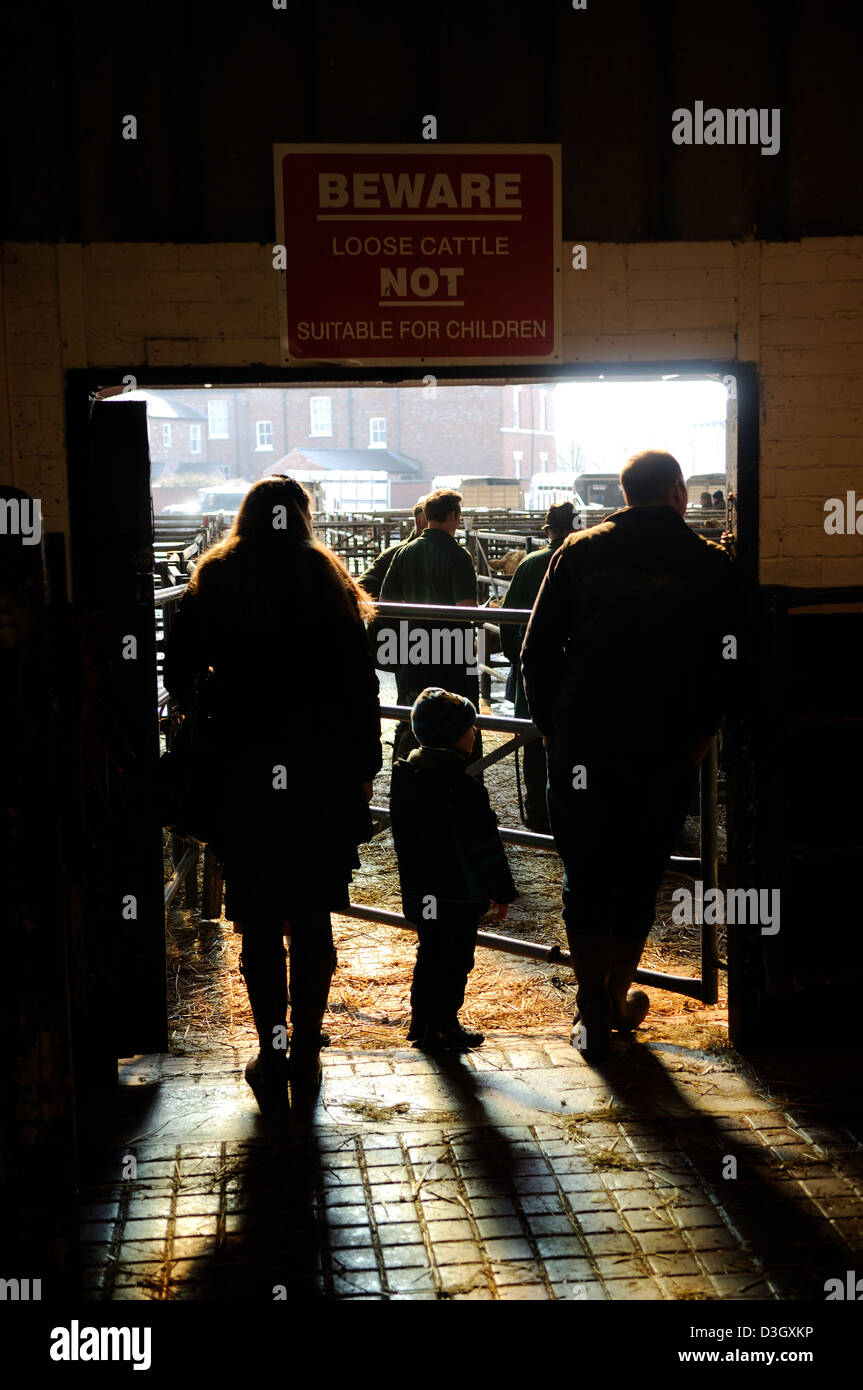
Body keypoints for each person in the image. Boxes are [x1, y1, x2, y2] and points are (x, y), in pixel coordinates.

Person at [164, 476, 382, 1093]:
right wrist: (365, 765)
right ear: (302, 516)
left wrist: (221, 695)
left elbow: (178, 675)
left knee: (259, 921)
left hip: (243, 772)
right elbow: (360, 685)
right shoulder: (328, 581)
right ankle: (309, 1049)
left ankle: (272, 1049)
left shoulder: (217, 576)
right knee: (312, 916)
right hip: (321, 772)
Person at [521, 450, 736, 1061]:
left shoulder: (579, 550)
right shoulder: (708, 562)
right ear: (678, 492)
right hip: (664, 745)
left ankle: (590, 1011)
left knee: (585, 875)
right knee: (641, 874)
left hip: (586, 743)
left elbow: (535, 651)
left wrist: (555, 727)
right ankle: (616, 996)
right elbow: (729, 654)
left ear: (623, 491)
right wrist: (702, 731)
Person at [390, 687, 517, 1051]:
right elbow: (484, 843)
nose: (475, 733)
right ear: (454, 736)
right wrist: (501, 889)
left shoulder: (407, 777)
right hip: (459, 892)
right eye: (470, 727)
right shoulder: (464, 787)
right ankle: (444, 1025)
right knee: (456, 959)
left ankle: (422, 1023)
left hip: (421, 888)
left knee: (429, 954)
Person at [379, 488, 481, 765]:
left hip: (414, 650)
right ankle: (463, 785)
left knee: (415, 716)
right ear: (453, 516)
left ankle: (409, 777)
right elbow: (467, 611)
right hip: (453, 653)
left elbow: (386, 603)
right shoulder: (458, 556)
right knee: (460, 719)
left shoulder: (404, 553)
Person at [500, 501, 577, 833]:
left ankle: (538, 811)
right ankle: (573, 808)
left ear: (548, 531)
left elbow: (506, 619)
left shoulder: (530, 565)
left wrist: (514, 656)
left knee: (534, 733)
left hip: (535, 664)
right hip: (575, 666)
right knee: (574, 736)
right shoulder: (585, 560)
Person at [358, 499, 427, 600]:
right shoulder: (396, 554)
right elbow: (363, 587)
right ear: (419, 522)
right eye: (435, 521)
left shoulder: (396, 552)